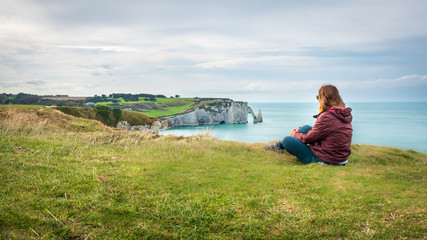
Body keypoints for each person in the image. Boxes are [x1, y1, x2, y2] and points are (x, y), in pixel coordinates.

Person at [264, 84, 353, 166]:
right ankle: (279, 146)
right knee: (306, 128)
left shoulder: (328, 116)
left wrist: (296, 134)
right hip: (341, 158)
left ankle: (281, 145)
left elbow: (309, 138)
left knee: (287, 140)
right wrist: (300, 133)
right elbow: (320, 132)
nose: (318, 100)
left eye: (319, 97)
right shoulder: (341, 112)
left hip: (328, 159)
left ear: (325, 98)